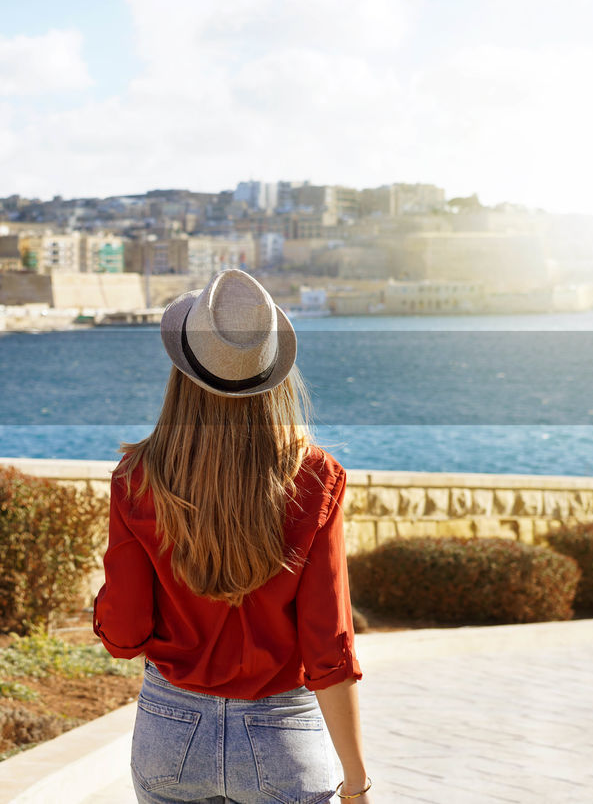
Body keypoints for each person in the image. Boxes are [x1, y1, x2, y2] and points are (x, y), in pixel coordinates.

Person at [94, 269, 370, 804]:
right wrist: (356, 782)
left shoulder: (137, 477)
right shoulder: (315, 478)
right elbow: (328, 644)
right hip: (282, 732)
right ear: (273, 378)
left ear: (182, 374)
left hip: (169, 731)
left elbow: (124, 633)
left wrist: (103, 614)